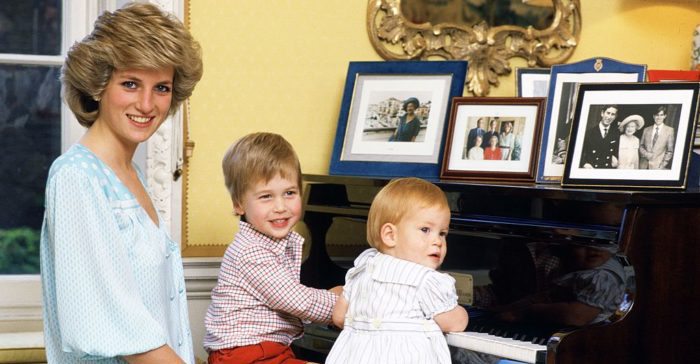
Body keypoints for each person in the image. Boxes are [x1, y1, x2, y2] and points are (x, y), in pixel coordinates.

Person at [39, 3, 203, 363]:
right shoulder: (76, 178)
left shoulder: (130, 175)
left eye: (161, 87)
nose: (146, 104)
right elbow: (115, 327)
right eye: (130, 84)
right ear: (98, 85)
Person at [204, 132, 341, 364]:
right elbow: (298, 301)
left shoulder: (276, 243)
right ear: (239, 204)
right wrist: (340, 303)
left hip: (267, 350)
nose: (281, 207)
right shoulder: (251, 252)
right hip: (244, 355)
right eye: (266, 196)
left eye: (289, 193)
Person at [325, 177, 468, 364]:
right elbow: (454, 323)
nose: (437, 241)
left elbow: (338, 317)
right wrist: (462, 314)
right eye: (425, 229)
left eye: (442, 233)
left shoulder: (363, 268)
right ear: (390, 235)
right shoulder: (425, 280)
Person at [494, 244, 627, 327]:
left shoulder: (603, 277)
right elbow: (543, 297)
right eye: (582, 243)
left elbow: (575, 316)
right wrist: (505, 309)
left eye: (604, 242)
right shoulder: (573, 270)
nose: (595, 248)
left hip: (588, 341)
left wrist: (526, 312)